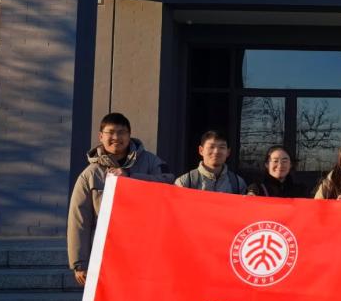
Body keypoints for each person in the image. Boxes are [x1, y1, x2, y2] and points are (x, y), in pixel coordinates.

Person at [67, 113, 173, 287]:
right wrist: (79, 263)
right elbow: (79, 220)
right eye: (110, 132)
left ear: (129, 135)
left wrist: (130, 177)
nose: (116, 137)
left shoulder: (151, 162)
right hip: (106, 254)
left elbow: (169, 182)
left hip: (145, 251)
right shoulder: (90, 175)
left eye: (122, 132)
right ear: (101, 136)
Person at [175, 131, 247, 194]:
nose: (216, 152)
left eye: (222, 147)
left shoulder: (238, 184)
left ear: (228, 152)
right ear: (201, 150)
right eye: (211, 147)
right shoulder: (184, 183)